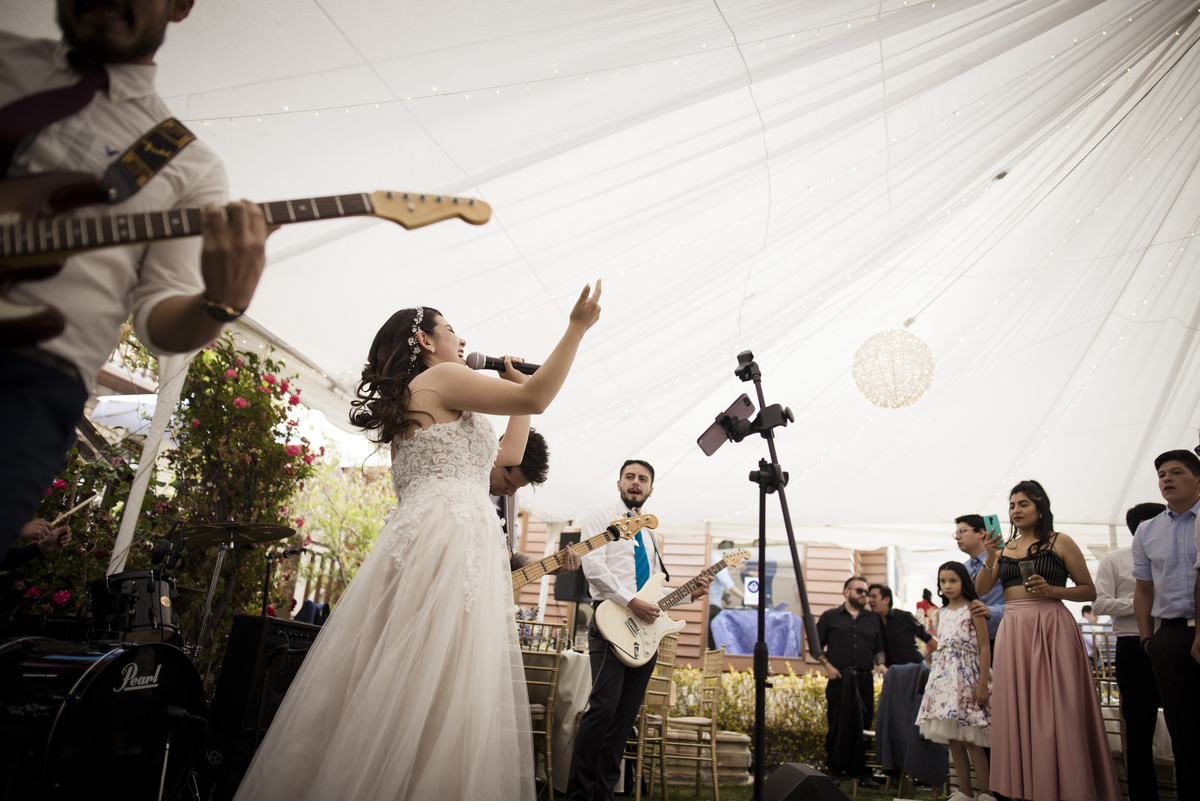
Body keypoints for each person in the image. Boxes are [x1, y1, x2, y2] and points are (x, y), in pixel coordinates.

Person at [233, 283, 602, 801]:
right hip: (448, 536)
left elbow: (508, 455)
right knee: (440, 678)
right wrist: (577, 328)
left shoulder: (428, 393)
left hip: (442, 531)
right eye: (450, 329)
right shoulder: (444, 378)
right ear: (426, 341)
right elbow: (538, 395)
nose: (460, 337)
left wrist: (519, 392)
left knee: (423, 673)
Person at [0, 1, 270, 561]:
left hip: (24, 386)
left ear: (180, 5)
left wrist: (218, 303)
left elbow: (158, 322)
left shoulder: (184, 162)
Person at [565, 458, 710, 801]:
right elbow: (594, 567)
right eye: (629, 477)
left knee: (624, 717)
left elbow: (652, 593)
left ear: (650, 489)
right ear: (619, 483)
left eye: (642, 479)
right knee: (602, 709)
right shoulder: (601, 517)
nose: (635, 483)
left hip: (643, 633)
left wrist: (689, 594)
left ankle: (604, 794)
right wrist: (630, 601)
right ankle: (578, 794)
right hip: (611, 620)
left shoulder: (648, 533)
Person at [976, 480, 1119, 801]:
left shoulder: (1060, 542)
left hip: (1052, 624)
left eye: (1023, 504)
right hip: (1014, 630)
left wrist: (1053, 590)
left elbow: (1088, 590)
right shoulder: (1003, 548)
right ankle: (1025, 788)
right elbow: (983, 589)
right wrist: (990, 554)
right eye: (1012, 505)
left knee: (1059, 707)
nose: (1016, 511)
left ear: (1040, 508)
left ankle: (1071, 786)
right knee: (1017, 706)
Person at [1132, 449, 1200, 800]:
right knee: (1183, 730)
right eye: (1161, 475)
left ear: (1198, 479)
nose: (1166, 479)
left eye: (1176, 472)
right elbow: (1144, 589)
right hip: (1169, 637)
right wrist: (1147, 638)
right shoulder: (1147, 530)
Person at [1093, 501, 1164, 800]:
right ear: (1143, 526)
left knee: (1186, 724)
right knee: (1138, 728)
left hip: (1173, 643)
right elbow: (1101, 604)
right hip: (1132, 647)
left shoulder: (1176, 558)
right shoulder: (1115, 560)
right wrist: (1143, 603)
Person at [916, 562, 993, 801]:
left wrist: (982, 684)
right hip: (945, 681)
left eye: (953, 581)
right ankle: (966, 794)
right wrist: (930, 653)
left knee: (970, 739)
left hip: (968, 678)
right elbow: (943, 644)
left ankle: (987, 794)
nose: (947, 586)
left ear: (963, 582)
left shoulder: (973, 609)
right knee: (954, 740)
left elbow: (984, 646)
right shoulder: (940, 613)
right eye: (943, 581)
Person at [816, 576, 886, 787]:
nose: (864, 595)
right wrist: (827, 667)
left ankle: (862, 773)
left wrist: (881, 664)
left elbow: (879, 648)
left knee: (863, 725)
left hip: (864, 679)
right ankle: (835, 770)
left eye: (866, 592)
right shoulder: (830, 616)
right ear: (846, 592)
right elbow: (816, 646)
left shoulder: (873, 620)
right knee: (835, 723)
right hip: (839, 680)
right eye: (860, 591)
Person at [489, 427, 579, 575]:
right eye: (508, 482)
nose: (511, 493)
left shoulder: (510, 499)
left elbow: (510, 555)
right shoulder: (457, 482)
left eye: (518, 487)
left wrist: (555, 567)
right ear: (497, 456)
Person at [955, 515, 1006, 655]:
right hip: (970, 642)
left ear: (982, 532)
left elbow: (1020, 601)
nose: (957, 537)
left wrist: (991, 611)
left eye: (962, 531)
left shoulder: (1004, 561)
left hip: (1002, 636)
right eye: (956, 533)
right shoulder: (963, 569)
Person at [867, 583, 937, 666]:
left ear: (886, 600)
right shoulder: (873, 623)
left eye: (874, 597)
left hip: (915, 668)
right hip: (893, 672)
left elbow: (926, 636)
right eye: (869, 597)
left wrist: (948, 655)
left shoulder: (904, 616)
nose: (870, 600)